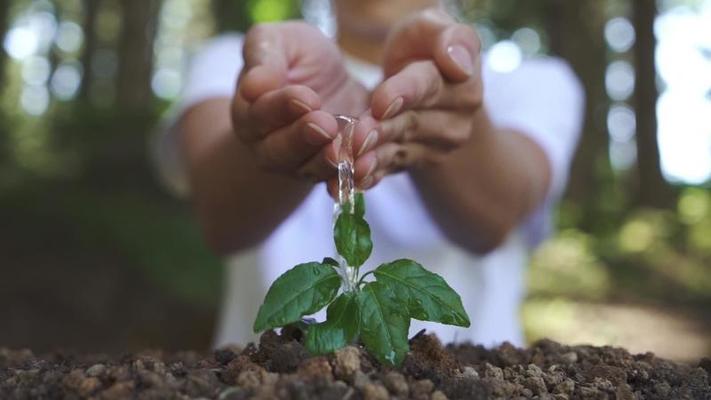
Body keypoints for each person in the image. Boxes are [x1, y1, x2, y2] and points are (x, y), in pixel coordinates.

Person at [158, 0, 584, 348]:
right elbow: (220, 215)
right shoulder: (238, 60)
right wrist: (295, 118)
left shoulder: (532, 83)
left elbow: (500, 210)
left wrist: (445, 109)